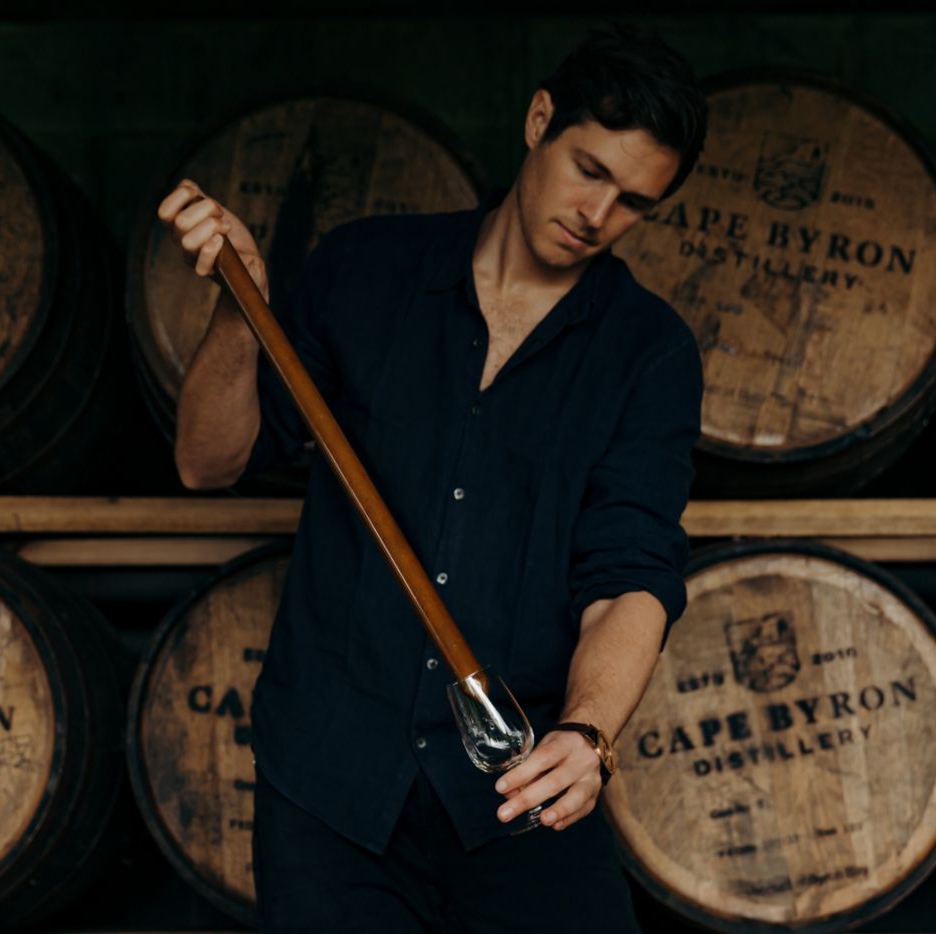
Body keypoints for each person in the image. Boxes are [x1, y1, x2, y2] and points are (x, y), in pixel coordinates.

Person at [158, 25, 707, 933]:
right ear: (539, 120)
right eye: (590, 169)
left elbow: (631, 576)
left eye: (634, 203)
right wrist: (237, 311)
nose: (597, 214)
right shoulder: (364, 269)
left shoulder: (648, 354)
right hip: (332, 778)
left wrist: (588, 734)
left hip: (514, 783)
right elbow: (205, 464)